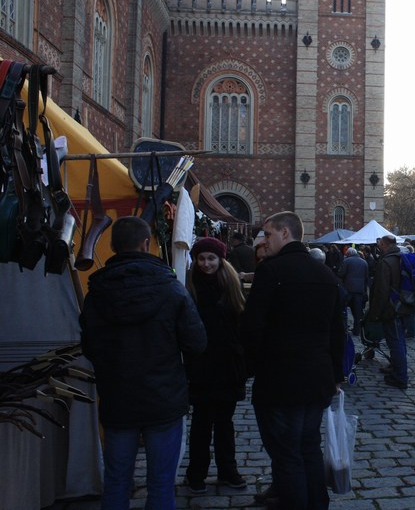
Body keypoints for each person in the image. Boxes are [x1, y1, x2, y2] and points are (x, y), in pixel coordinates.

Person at [80, 216, 207, 510]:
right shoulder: (171, 289)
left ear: (113, 247)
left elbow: (90, 346)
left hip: (118, 396)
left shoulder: (97, 292)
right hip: (163, 396)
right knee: (161, 483)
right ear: (146, 244)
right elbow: (197, 342)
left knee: (116, 481)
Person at [241, 211, 346, 509]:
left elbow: (253, 326)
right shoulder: (325, 275)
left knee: (287, 454)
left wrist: (251, 367)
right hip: (317, 378)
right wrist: (336, 375)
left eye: (268, 234)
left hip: (280, 379)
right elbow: (338, 332)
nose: (264, 240)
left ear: (285, 233)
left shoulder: (271, 271)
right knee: (309, 447)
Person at [184, 237, 248, 493]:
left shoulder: (231, 286)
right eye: (201, 259)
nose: (206, 263)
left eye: (211, 258)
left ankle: (227, 470)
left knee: (224, 422)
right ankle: (196, 474)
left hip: (228, 365)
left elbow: (241, 325)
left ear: (221, 260)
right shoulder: (190, 287)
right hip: (201, 365)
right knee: (201, 422)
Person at [366, 235, 411, 389]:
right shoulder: (400, 257)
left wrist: (375, 313)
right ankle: (397, 368)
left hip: (392, 308)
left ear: (384, 245)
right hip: (404, 305)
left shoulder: (386, 261)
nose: (379, 247)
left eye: (380, 244)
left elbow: (381, 290)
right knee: (400, 340)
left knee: (395, 342)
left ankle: (400, 376)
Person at [339, 247, 370, 339]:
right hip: (359, 290)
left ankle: (344, 329)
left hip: (348, 289)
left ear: (348, 254)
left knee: (343, 309)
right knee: (357, 312)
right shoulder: (364, 262)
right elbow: (366, 277)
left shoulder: (347, 261)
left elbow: (341, 274)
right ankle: (357, 330)